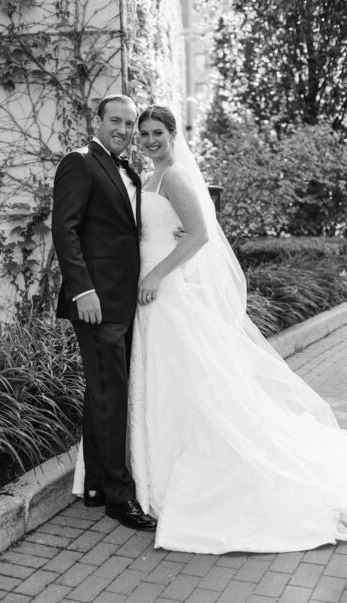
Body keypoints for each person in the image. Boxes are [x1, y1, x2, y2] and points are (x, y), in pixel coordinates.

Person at [126, 104, 347, 553]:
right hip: (148, 294)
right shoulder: (148, 178)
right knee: (166, 381)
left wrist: (155, 275)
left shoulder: (175, 178)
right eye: (143, 133)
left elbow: (200, 235)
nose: (149, 140)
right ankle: (156, 465)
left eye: (157, 132)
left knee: (188, 380)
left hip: (162, 291)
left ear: (173, 135)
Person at [52, 94, 156, 531]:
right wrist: (84, 291)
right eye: (117, 121)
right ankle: (119, 497)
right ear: (97, 121)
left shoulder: (126, 167)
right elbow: (65, 229)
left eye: (131, 123)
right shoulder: (80, 162)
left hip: (123, 300)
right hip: (96, 303)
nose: (125, 129)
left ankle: (95, 484)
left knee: (104, 392)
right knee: (112, 394)